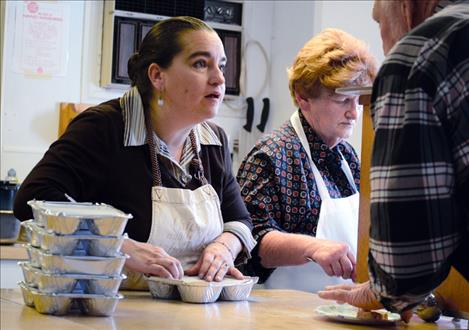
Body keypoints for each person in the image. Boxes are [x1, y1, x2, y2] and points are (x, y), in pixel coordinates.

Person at [13, 16, 256, 289]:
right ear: (157, 76)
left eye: (221, 66)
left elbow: (240, 220)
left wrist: (225, 247)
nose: (219, 79)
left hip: (191, 311)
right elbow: (32, 199)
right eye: (201, 64)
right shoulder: (104, 128)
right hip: (108, 310)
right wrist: (120, 245)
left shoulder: (214, 142)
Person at [318, 0, 469, 321]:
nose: (386, 44)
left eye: (379, 22)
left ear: (407, 6)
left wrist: (384, 289)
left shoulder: (419, 53)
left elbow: (409, 260)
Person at [237, 28, 377, 292]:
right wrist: (314, 247)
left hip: (341, 308)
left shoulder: (346, 156)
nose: (354, 114)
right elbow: (250, 243)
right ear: (303, 97)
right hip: (282, 314)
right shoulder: (271, 157)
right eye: (343, 100)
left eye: (358, 101)